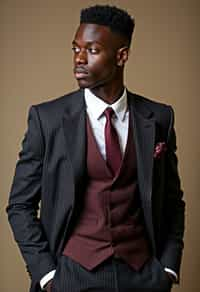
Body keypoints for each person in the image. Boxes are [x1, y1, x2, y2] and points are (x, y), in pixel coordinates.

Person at [7, 5, 185, 292]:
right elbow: (19, 205)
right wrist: (49, 276)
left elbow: (173, 200)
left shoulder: (159, 118)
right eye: (75, 48)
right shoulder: (47, 119)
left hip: (143, 277)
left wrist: (167, 267)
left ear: (121, 56)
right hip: (73, 276)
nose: (78, 58)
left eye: (92, 50)